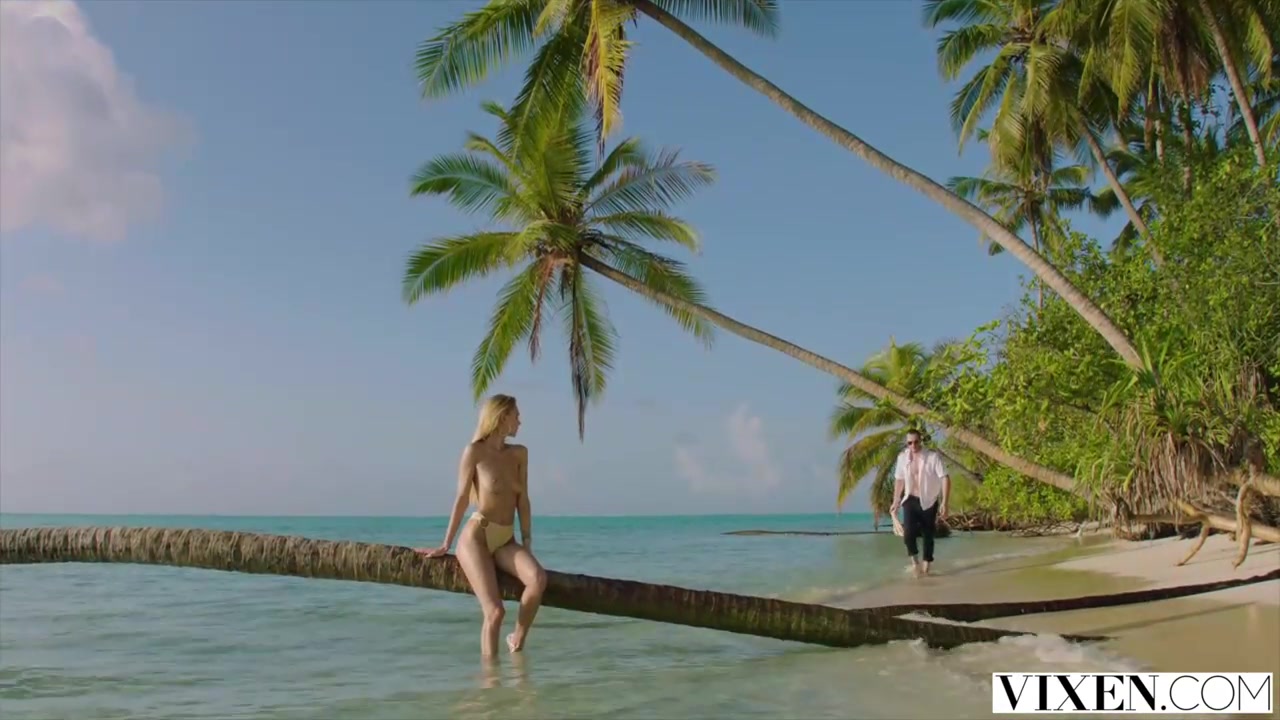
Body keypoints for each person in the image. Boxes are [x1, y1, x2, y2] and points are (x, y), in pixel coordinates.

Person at [416, 394, 548, 657]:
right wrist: (446, 543)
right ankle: (491, 677)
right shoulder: (474, 452)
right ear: (502, 417)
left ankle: (517, 640)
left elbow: (523, 500)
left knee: (537, 579)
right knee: (495, 612)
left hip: (506, 540)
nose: (520, 421)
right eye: (516, 415)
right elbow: (462, 498)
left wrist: (527, 543)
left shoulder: (519, 454)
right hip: (477, 537)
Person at [889, 430, 950, 577]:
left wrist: (945, 502)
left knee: (928, 535)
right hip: (910, 498)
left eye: (916, 442)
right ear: (906, 443)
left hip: (929, 500)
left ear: (920, 441)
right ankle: (915, 564)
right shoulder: (902, 458)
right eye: (910, 443)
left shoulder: (932, 457)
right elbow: (899, 479)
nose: (913, 445)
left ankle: (926, 567)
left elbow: (945, 478)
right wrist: (896, 500)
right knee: (908, 533)